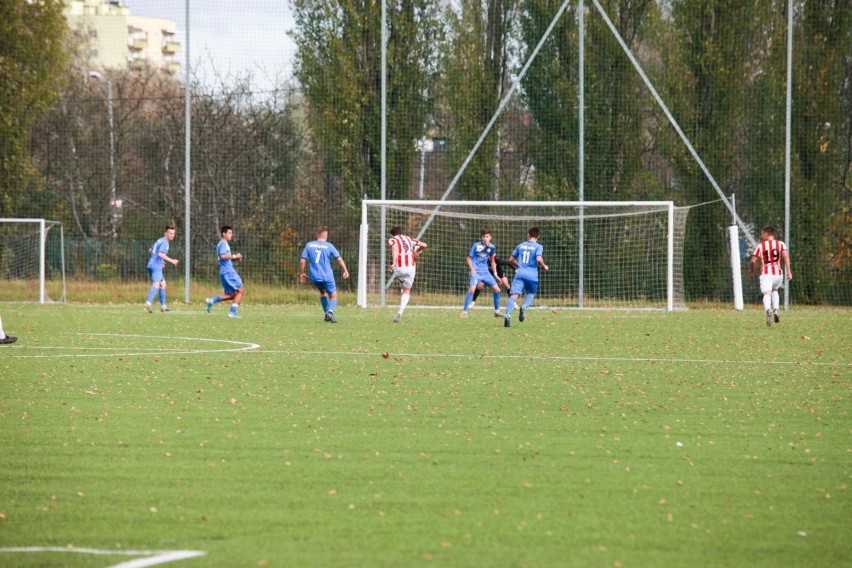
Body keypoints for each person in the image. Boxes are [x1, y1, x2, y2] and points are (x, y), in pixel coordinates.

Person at [300, 227, 350, 323]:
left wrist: (302, 273)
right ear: (326, 236)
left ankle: (327, 314)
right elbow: (339, 259)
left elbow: (302, 261)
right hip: (327, 276)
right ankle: (330, 312)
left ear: (317, 235)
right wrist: (345, 270)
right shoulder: (329, 246)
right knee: (333, 296)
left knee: (323, 293)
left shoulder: (309, 245)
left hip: (315, 277)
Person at [504, 226, 549, 328]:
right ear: (538, 237)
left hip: (520, 274)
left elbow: (510, 259)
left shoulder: (521, 245)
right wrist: (544, 266)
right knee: (531, 293)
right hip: (532, 275)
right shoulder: (538, 246)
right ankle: (524, 307)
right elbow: (538, 258)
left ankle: (507, 315)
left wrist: (519, 265)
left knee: (514, 295)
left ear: (528, 234)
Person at [748, 225, 792, 327]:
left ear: (767, 234)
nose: (761, 235)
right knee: (775, 290)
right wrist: (789, 271)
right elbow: (786, 257)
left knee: (767, 294)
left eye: (762, 234)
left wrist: (752, 269)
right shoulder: (781, 244)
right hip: (778, 275)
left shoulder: (761, 246)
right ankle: (776, 309)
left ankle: (768, 310)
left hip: (766, 274)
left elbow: (753, 260)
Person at [388, 226, 427, 323]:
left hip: (399, 268)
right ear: (401, 233)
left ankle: (401, 281)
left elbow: (395, 248)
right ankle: (400, 312)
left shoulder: (392, 239)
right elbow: (424, 245)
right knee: (407, 290)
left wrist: (393, 262)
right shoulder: (409, 239)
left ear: (392, 234)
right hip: (411, 267)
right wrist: (416, 251)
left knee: (398, 275)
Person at [461, 229, 502, 318]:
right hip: (476, 272)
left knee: (497, 289)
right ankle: (464, 312)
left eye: (487, 236)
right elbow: (468, 258)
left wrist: (495, 274)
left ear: (490, 237)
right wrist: (472, 269)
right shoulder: (476, 246)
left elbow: (492, 261)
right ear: (481, 237)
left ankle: (497, 312)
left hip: (486, 273)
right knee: (472, 289)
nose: (485, 238)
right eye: (483, 236)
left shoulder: (492, 247)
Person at [206, 226, 245, 318]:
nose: (231, 235)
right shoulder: (223, 243)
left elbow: (224, 258)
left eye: (231, 233)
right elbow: (223, 256)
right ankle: (232, 312)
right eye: (229, 233)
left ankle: (212, 300)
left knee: (232, 295)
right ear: (224, 234)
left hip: (224, 272)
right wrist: (234, 256)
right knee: (240, 291)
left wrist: (235, 259)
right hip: (228, 272)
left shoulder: (223, 244)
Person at [144, 225, 179, 313]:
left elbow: (151, 250)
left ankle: (163, 306)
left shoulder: (159, 240)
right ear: (165, 233)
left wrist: (160, 260)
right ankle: (148, 303)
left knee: (163, 284)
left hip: (152, 264)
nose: (172, 235)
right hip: (156, 266)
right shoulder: (165, 242)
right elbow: (160, 253)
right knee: (156, 284)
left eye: (173, 233)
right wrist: (172, 261)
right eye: (170, 233)